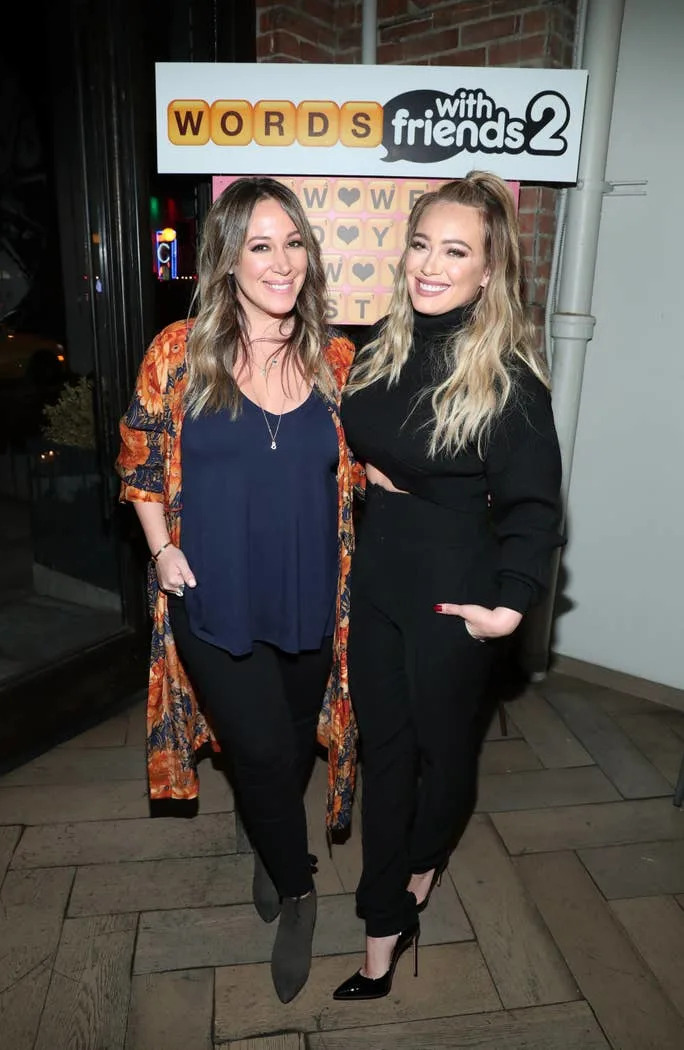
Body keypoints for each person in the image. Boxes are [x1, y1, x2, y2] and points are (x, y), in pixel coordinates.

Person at [115, 176, 360, 1004]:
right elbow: (141, 460)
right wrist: (159, 551)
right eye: (260, 244)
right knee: (256, 748)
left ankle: (269, 831)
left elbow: (369, 472)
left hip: (309, 601)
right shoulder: (178, 353)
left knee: (289, 748)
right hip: (212, 599)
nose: (281, 261)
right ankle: (298, 887)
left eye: (293, 243)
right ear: (226, 258)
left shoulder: (335, 359)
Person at [332, 170, 564, 1001]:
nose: (430, 265)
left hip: (451, 600)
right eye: (422, 245)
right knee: (384, 752)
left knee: (445, 754)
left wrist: (507, 608)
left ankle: (419, 872)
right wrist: (366, 470)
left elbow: (536, 509)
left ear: (489, 270)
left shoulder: (509, 383)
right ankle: (383, 921)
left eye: (454, 250)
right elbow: (356, 439)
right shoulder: (378, 350)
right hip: (377, 584)